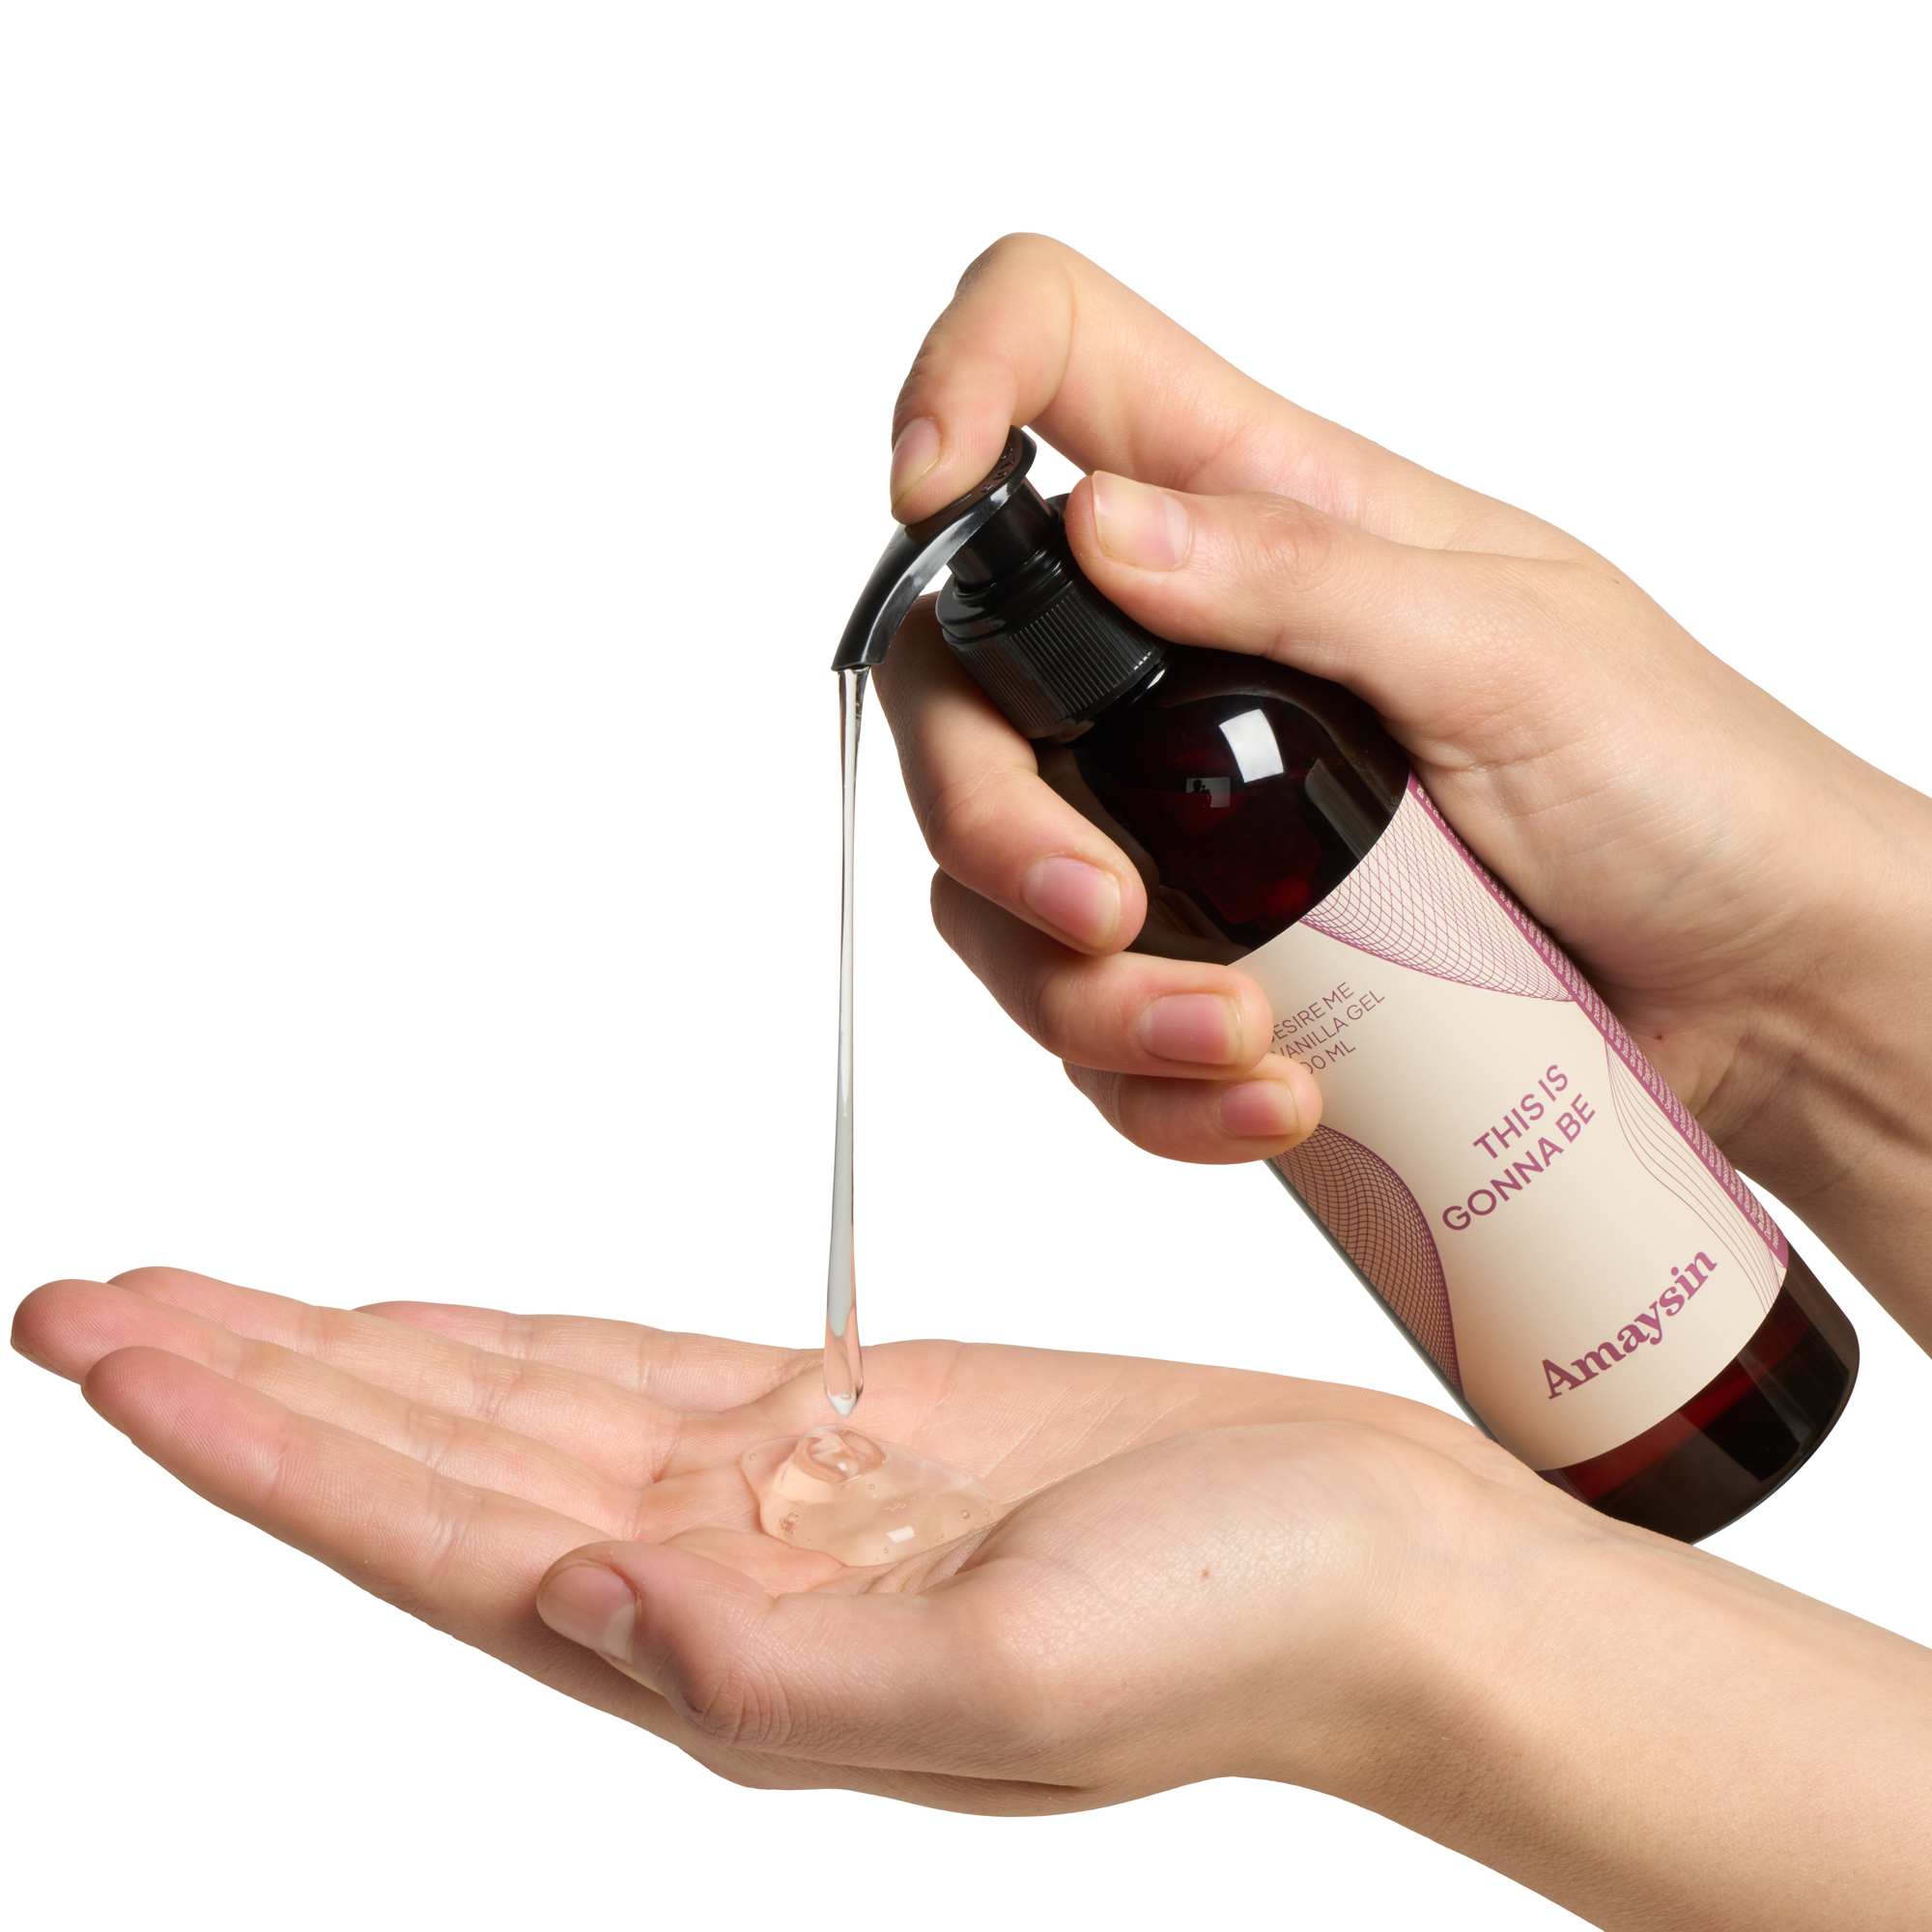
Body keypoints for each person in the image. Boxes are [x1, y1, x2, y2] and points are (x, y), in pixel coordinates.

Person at [14, 235, 1932, 1927]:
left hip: (1708, 1267)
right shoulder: (1135, 797)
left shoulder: (1265, 726)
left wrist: (1830, 998)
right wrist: (1438, 1597)